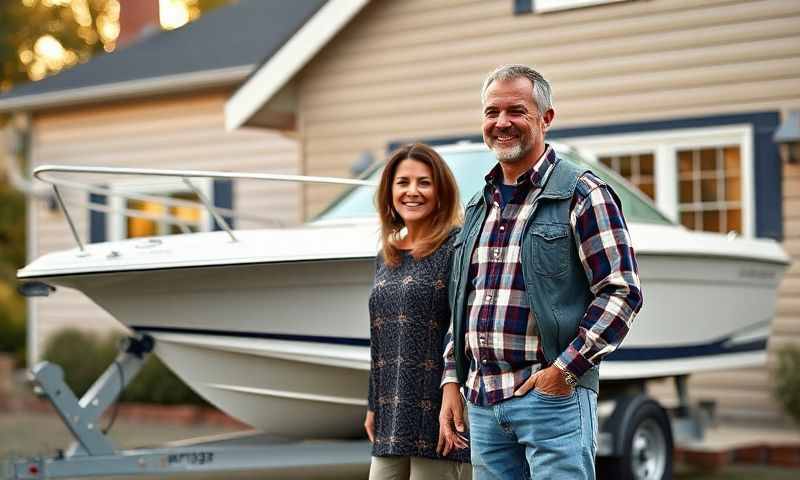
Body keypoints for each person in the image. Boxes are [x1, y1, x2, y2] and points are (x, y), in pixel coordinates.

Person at [437, 64, 643, 479]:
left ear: (546, 119)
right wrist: (451, 381)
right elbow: (463, 301)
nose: (502, 123)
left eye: (516, 111)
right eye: (492, 112)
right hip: (483, 403)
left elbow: (621, 292)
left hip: (551, 400)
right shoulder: (480, 204)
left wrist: (564, 371)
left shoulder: (582, 193)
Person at [365, 143, 470, 480]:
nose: (412, 191)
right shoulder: (387, 254)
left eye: (424, 182)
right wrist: (372, 403)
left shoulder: (457, 247)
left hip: (439, 410)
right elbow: (379, 337)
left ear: (440, 192)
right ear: (389, 192)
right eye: (403, 182)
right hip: (391, 411)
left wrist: (454, 390)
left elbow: (463, 325)